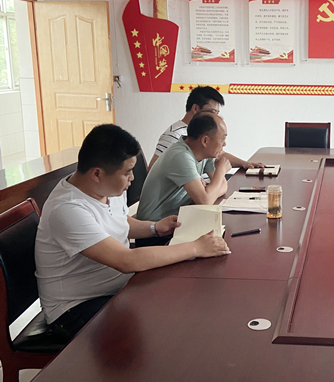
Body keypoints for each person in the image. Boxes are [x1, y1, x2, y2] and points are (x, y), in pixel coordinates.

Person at [35, 124, 230, 342]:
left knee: (183, 298)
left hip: (119, 287)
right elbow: (127, 261)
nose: (132, 179)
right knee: (167, 323)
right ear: (97, 173)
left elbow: (119, 221)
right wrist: (196, 247)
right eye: (127, 172)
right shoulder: (67, 209)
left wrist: (154, 228)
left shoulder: (107, 187)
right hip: (76, 309)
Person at [136, 113, 229, 245]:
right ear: (205, 141)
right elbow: (205, 201)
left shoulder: (204, 153)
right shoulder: (181, 156)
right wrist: (221, 170)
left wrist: (209, 191)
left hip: (177, 222)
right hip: (156, 232)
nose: (224, 144)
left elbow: (223, 186)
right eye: (223, 139)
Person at [149, 85, 263, 171]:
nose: (216, 117)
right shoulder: (174, 135)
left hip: (207, 184)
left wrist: (245, 164)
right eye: (212, 112)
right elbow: (154, 170)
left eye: (217, 113)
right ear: (195, 108)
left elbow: (220, 154)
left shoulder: (202, 132)